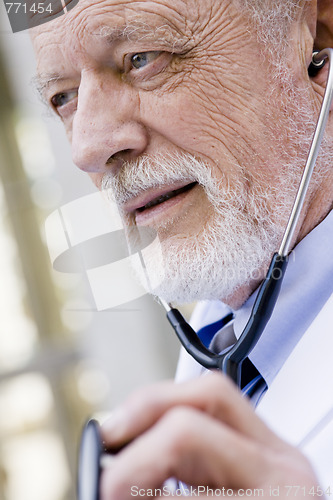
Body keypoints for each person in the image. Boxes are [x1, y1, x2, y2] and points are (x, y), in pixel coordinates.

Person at [30, 0, 333, 498]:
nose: (87, 146)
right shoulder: (221, 349)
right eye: (65, 98)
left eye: (142, 58)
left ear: (317, 39)